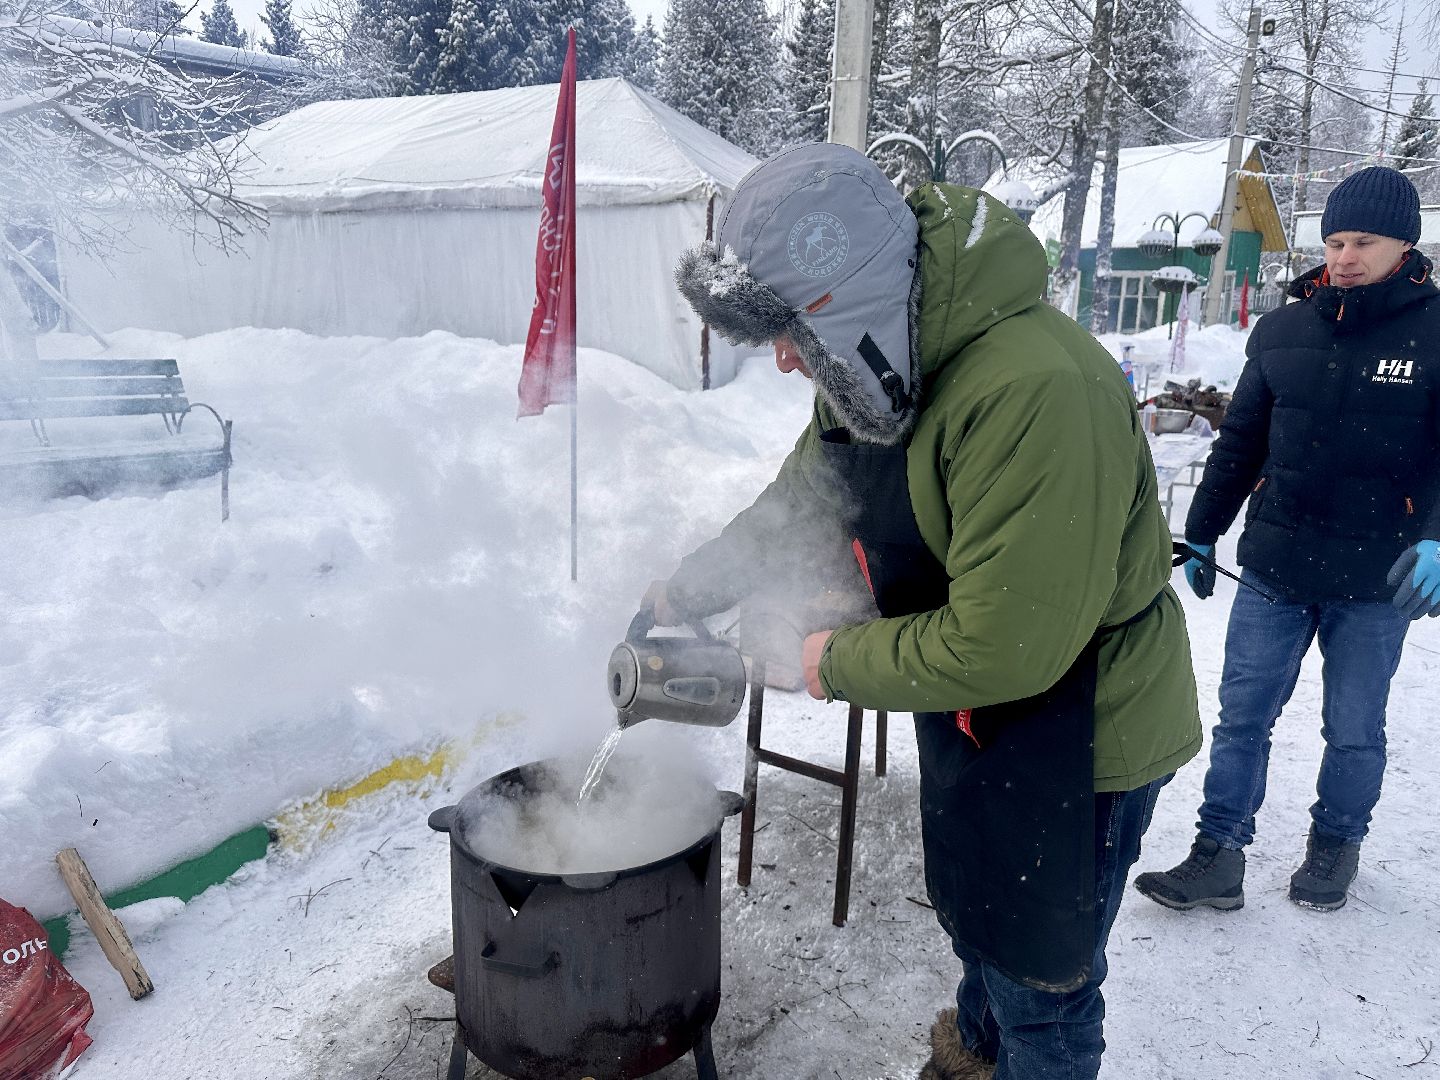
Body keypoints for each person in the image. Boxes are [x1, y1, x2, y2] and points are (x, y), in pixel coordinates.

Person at [642, 143, 1200, 1080]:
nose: (782, 360)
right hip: (980, 714)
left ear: (844, 304)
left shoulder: (1034, 391)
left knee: (1045, 991)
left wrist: (827, 659)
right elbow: (797, 504)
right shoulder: (875, 371)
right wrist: (686, 587)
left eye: (788, 330)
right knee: (987, 931)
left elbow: (1009, 643)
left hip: (1084, 730)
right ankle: (973, 1057)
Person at [1135, 165, 1440, 916]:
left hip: (1379, 574)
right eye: (1335, 240)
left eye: (1363, 240)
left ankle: (1336, 844)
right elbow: (1241, 441)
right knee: (1242, 716)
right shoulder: (1284, 329)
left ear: (1406, 241)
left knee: (1353, 726)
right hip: (1277, 562)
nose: (1343, 256)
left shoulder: (1434, 332)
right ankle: (1220, 852)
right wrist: (1202, 531)